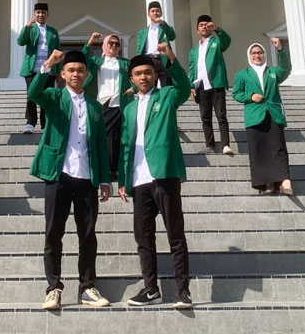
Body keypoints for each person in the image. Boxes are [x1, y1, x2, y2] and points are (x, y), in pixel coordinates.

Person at [28, 49, 112, 310]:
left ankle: (88, 287)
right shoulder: (54, 97)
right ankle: (53, 287)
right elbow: (33, 95)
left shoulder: (96, 107)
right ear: (63, 75)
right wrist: (46, 66)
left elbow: (100, 144)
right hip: (59, 174)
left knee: (87, 234)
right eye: (71, 70)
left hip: (87, 177)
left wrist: (106, 180)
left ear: (87, 75)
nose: (76, 74)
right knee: (54, 232)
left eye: (80, 70)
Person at [118, 43, 192, 309]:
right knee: (144, 238)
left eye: (148, 72)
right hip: (139, 181)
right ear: (131, 78)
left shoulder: (167, 95)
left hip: (164, 175)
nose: (143, 77)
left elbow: (184, 87)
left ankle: (183, 290)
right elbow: (126, 144)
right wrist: (123, 181)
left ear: (154, 74)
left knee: (175, 234)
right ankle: (151, 289)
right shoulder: (128, 108)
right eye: (138, 74)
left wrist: (171, 58)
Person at [232, 39, 293, 195]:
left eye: (260, 52)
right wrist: (251, 96)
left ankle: (284, 181)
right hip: (254, 115)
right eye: (254, 53)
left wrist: (280, 50)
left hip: (273, 113)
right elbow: (236, 93)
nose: (257, 55)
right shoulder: (242, 74)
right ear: (249, 56)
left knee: (278, 147)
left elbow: (286, 69)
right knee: (259, 150)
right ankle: (267, 183)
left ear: (264, 54)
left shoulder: (272, 72)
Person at [82, 32, 133, 180]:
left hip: (120, 104)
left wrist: (134, 89)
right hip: (101, 104)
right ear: (105, 45)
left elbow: (135, 76)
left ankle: (114, 170)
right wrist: (90, 41)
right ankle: (100, 167)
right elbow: (83, 59)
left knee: (116, 138)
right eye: (111, 43)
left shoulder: (125, 63)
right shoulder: (97, 61)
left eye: (117, 44)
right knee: (101, 137)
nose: (114, 46)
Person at [188, 15, 233, 155]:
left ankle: (225, 144)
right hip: (201, 87)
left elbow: (227, 42)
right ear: (197, 30)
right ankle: (210, 145)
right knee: (205, 117)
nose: (204, 27)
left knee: (221, 115)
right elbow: (192, 68)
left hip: (216, 84)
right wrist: (191, 86)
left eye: (206, 24)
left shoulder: (216, 43)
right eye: (201, 25)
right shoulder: (194, 51)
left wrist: (218, 30)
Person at [17, 3, 61, 133]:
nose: (40, 15)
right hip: (32, 69)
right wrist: (27, 27)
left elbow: (57, 51)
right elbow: (20, 41)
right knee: (31, 95)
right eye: (38, 12)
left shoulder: (53, 32)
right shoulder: (30, 28)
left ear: (47, 14)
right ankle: (30, 122)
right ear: (34, 14)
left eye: (43, 12)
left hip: (48, 69)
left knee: (46, 96)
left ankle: (45, 123)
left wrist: (58, 71)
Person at [136, 1, 176, 87]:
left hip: (162, 60)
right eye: (153, 11)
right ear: (148, 14)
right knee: (149, 87)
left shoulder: (165, 28)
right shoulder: (142, 32)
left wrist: (163, 23)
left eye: (157, 11)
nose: (155, 13)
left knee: (166, 87)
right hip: (148, 60)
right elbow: (139, 50)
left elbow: (172, 37)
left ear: (161, 13)